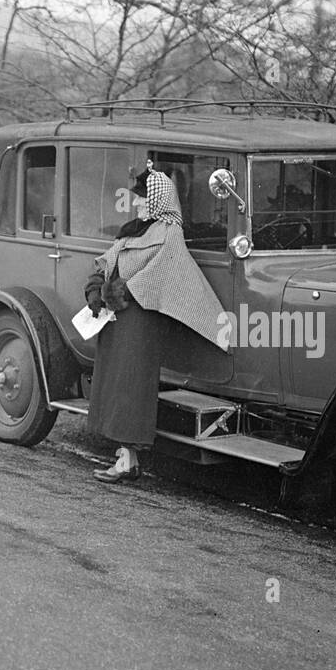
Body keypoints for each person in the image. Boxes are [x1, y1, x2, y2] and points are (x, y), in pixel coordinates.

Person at [84, 166, 229, 483]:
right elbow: (109, 261)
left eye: (141, 198)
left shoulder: (169, 233)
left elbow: (161, 277)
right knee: (116, 384)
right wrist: (97, 286)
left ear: (157, 200)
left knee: (130, 387)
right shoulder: (133, 230)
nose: (135, 204)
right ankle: (124, 458)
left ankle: (128, 462)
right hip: (117, 318)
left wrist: (118, 292)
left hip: (139, 321)